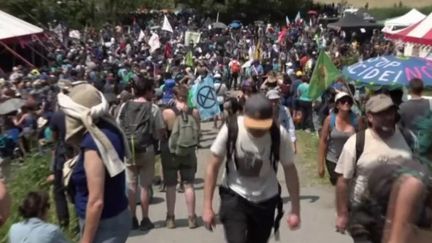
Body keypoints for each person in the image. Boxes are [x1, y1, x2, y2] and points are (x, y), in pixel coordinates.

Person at [203, 93, 301, 243]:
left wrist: (295, 210)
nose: (257, 131)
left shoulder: (279, 134)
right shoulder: (231, 128)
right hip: (235, 195)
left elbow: (290, 170)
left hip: (266, 198)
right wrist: (207, 206)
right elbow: (213, 166)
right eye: (253, 126)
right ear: (244, 116)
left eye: (262, 126)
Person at [58, 83, 131, 243]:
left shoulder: (94, 143)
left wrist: (86, 240)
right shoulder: (109, 128)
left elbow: (96, 201)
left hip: (104, 224)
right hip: (116, 214)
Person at [335, 94, 413, 242]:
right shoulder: (357, 142)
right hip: (363, 214)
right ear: (370, 117)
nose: (388, 117)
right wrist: (342, 214)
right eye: (381, 113)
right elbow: (342, 182)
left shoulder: (407, 138)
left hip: (397, 213)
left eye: (390, 112)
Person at [117, 76, 165, 231]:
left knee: (131, 186)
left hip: (129, 150)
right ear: (147, 91)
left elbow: (118, 127)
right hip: (147, 148)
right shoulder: (153, 108)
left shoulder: (124, 106)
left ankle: (132, 218)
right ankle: (145, 219)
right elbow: (159, 131)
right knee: (144, 186)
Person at [161, 85, 200, 229]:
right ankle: (192, 218)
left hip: (171, 151)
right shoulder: (194, 112)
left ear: (174, 96)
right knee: (189, 184)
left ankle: (170, 218)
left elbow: (162, 133)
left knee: (171, 185)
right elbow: (198, 131)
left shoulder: (167, 113)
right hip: (188, 150)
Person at [318, 92, 358, 185]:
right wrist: (321, 165)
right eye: (343, 101)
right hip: (333, 160)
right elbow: (323, 141)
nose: (346, 103)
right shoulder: (329, 120)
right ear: (337, 105)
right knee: (340, 187)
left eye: (349, 101)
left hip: (351, 160)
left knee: (349, 188)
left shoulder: (356, 120)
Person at [266, 89, 297, 153]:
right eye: (271, 101)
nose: (273, 103)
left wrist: (293, 144)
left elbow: (290, 127)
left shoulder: (285, 110)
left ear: (278, 100)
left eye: (275, 100)